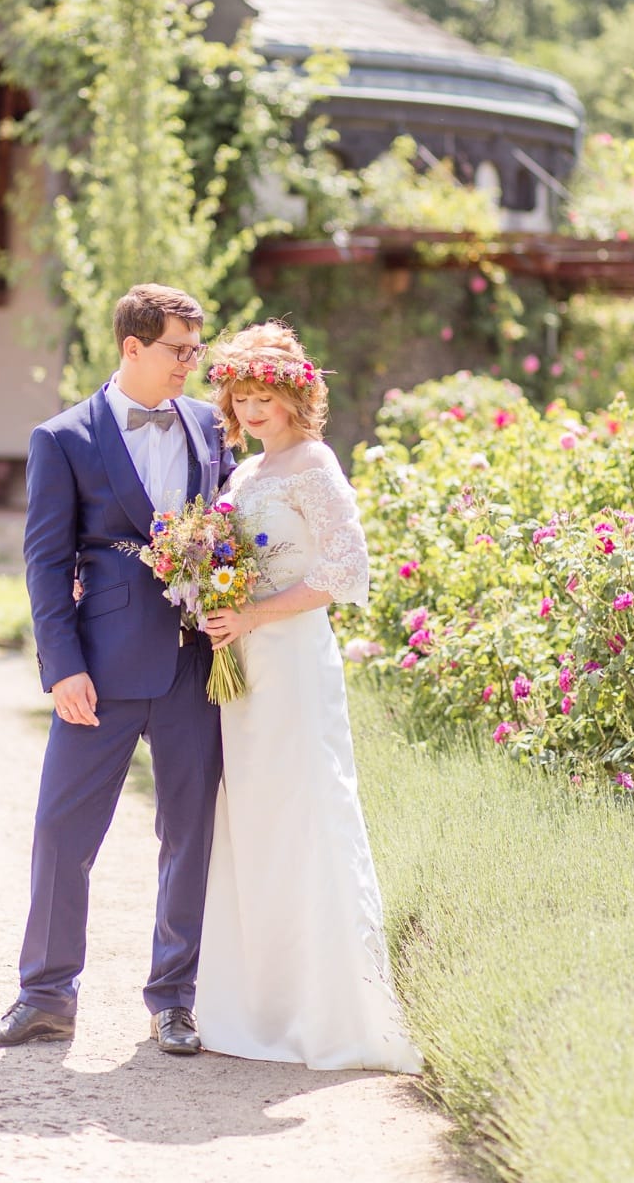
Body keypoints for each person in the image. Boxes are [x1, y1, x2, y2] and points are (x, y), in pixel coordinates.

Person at [0, 283, 234, 1055]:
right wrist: (62, 668)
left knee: (188, 833)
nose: (193, 362)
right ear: (133, 347)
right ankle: (46, 996)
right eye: (181, 349)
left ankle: (174, 1000)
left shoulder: (213, 428)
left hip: (193, 666)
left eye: (197, 348)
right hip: (101, 671)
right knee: (61, 832)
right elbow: (46, 564)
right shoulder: (63, 438)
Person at [198, 323, 422, 1072]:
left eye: (264, 396)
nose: (253, 409)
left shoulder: (314, 464)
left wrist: (254, 614)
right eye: (241, 397)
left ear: (295, 395)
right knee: (254, 819)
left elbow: (345, 571)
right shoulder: (244, 472)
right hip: (243, 666)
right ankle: (254, 1003)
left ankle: (324, 1011)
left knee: (303, 812)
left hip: (291, 661)